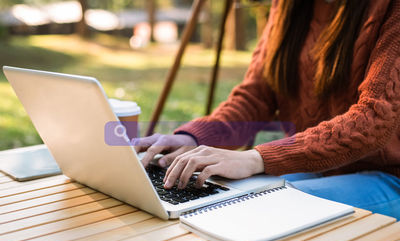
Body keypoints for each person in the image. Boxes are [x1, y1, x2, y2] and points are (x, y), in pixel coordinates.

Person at [135, 0, 400, 219]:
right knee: (213, 197)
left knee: (256, 211)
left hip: (390, 175)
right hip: (316, 164)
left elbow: (374, 120)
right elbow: (256, 95)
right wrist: (192, 138)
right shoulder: (286, 6)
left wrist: (254, 159)